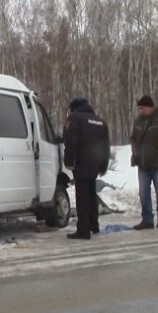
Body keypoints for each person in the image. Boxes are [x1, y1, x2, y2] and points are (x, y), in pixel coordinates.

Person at [63, 97, 110, 239]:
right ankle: (94, 225)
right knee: (91, 194)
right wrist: (103, 165)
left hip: (81, 162)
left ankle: (83, 230)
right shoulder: (100, 121)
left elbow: (70, 142)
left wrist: (69, 161)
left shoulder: (74, 119)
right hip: (95, 162)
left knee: (82, 196)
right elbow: (105, 146)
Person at [130, 95, 158, 229]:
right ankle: (147, 220)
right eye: (139, 109)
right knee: (143, 193)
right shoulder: (138, 121)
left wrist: (157, 152)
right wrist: (135, 151)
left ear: (150, 107)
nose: (140, 111)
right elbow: (133, 137)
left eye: (142, 108)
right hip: (142, 164)